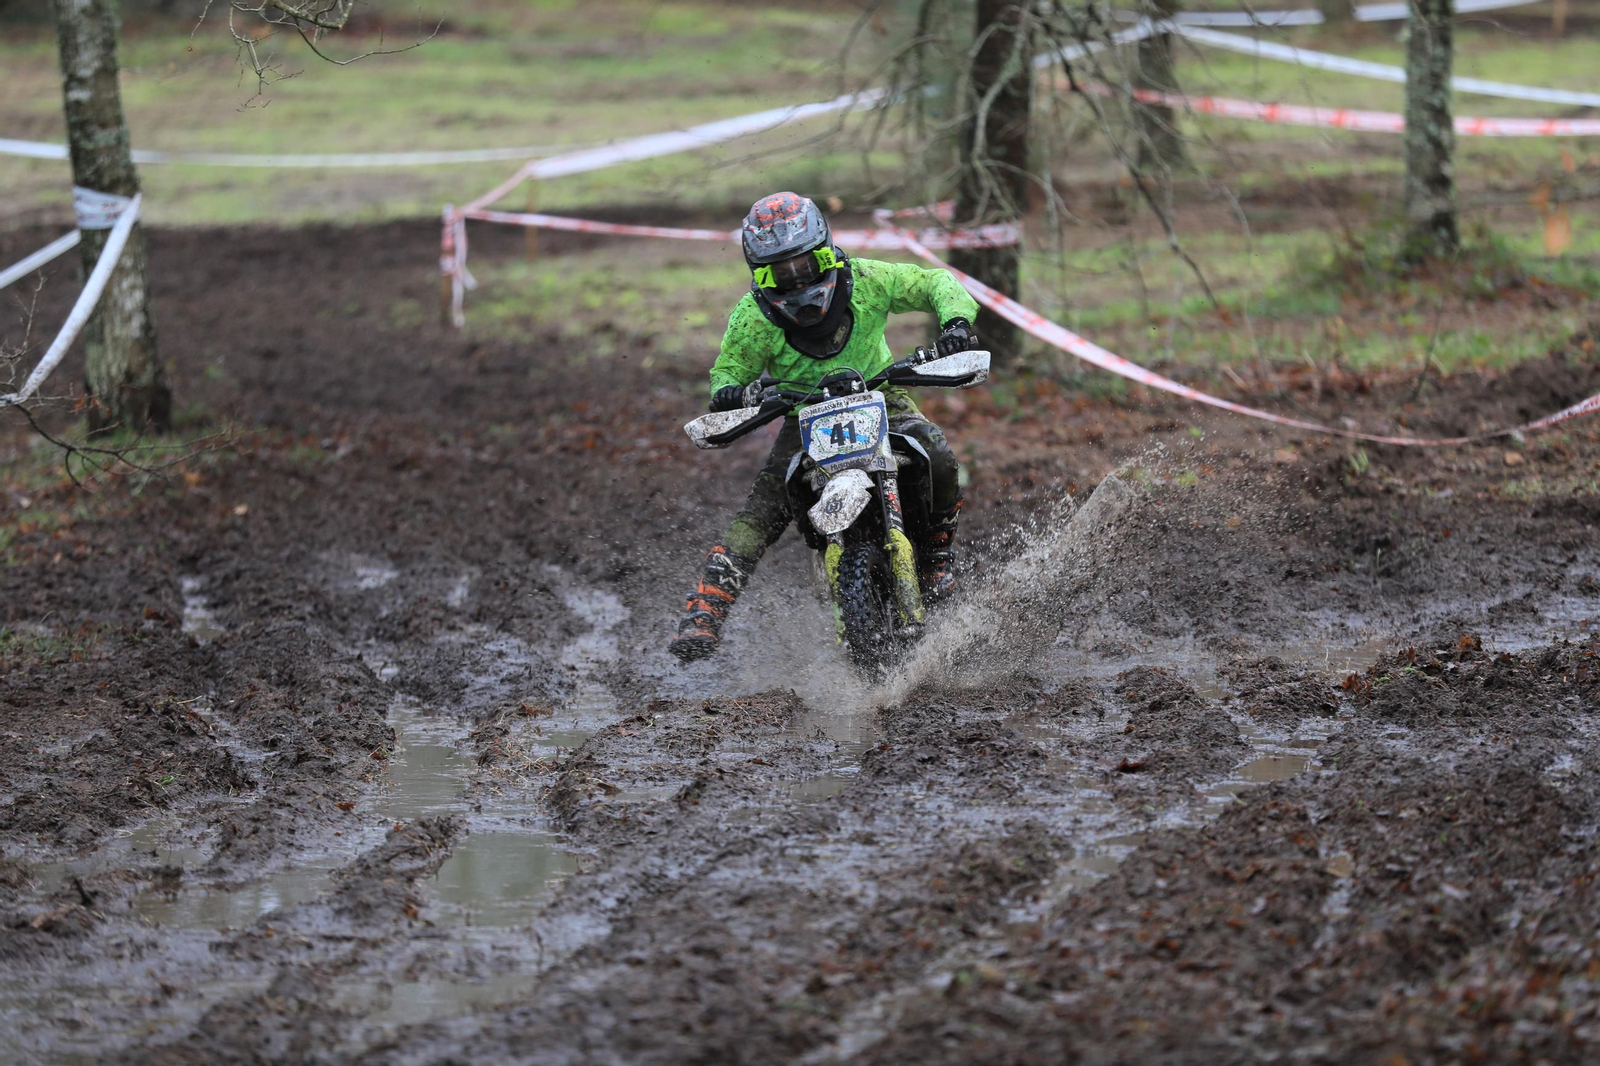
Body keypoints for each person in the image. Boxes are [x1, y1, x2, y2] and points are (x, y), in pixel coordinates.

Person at [669, 191, 981, 663]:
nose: (796, 278)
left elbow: (935, 281)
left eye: (805, 264)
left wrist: (956, 321)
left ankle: (937, 554)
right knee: (764, 506)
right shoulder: (753, 318)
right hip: (802, 415)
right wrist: (731, 391)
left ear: (826, 250)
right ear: (761, 275)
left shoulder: (869, 279)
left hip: (881, 396)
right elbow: (728, 370)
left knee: (934, 451)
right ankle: (706, 608)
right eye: (781, 272)